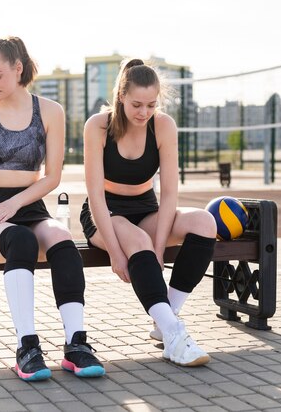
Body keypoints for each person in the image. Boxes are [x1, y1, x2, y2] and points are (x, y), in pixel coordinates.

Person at [0, 37, 104, 381]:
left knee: (63, 239)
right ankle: (27, 347)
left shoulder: (50, 111)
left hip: (28, 204)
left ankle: (76, 345)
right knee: (20, 241)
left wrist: (15, 202)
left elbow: (53, 177)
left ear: (18, 68)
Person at [81, 58, 217, 367]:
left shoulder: (163, 125)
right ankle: (175, 335)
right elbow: (95, 197)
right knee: (137, 241)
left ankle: (164, 318)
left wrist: (158, 250)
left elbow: (169, 193)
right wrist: (116, 253)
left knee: (204, 222)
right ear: (121, 97)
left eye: (151, 105)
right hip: (104, 212)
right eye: (136, 105)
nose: (144, 113)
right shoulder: (98, 126)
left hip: (146, 208)